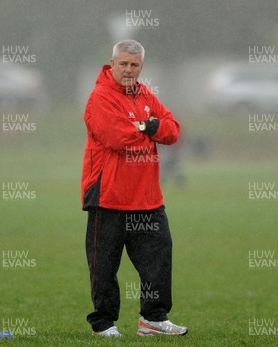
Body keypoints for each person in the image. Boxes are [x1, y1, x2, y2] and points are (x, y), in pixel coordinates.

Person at [80, 39, 188, 337]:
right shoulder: (100, 97)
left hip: (147, 198)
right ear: (112, 63)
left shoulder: (143, 94)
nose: (129, 70)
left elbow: (173, 130)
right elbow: (118, 138)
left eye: (135, 65)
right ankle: (103, 324)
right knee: (104, 266)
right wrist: (148, 126)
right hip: (109, 196)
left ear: (142, 67)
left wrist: (150, 127)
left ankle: (152, 320)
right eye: (124, 64)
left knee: (159, 259)